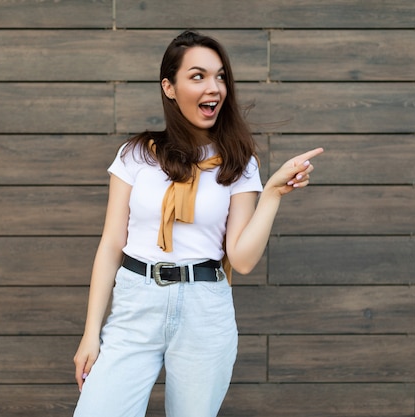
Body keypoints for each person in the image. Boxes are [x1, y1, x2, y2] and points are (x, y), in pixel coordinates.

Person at [72, 30, 323, 417]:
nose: (214, 87)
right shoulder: (137, 154)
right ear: (169, 87)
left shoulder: (239, 162)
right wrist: (91, 334)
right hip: (136, 303)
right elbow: (110, 246)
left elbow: (241, 259)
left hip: (204, 310)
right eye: (198, 76)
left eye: (220, 76)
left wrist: (271, 194)